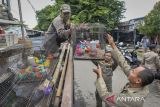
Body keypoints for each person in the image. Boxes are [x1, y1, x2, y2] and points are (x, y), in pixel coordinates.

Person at [93, 34, 160, 107]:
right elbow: (123, 63)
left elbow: (106, 96)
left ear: (138, 80)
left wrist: (100, 76)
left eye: (133, 71)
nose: (130, 71)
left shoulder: (134, 99)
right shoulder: (138, 82)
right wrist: (112, 44)